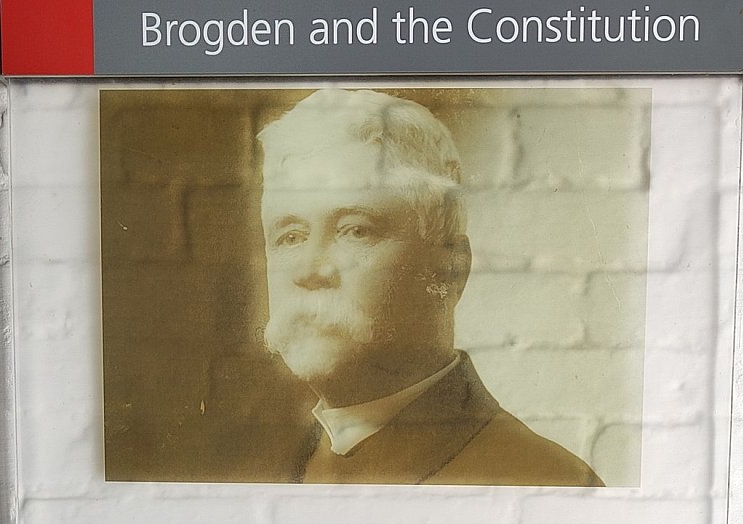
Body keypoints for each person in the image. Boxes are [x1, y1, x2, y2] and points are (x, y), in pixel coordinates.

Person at [257, 89, 602, 489]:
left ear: (450, 270)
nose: (308, 270)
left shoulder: (548, 483)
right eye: (290, 237)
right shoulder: (278, 471)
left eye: (355, 230)